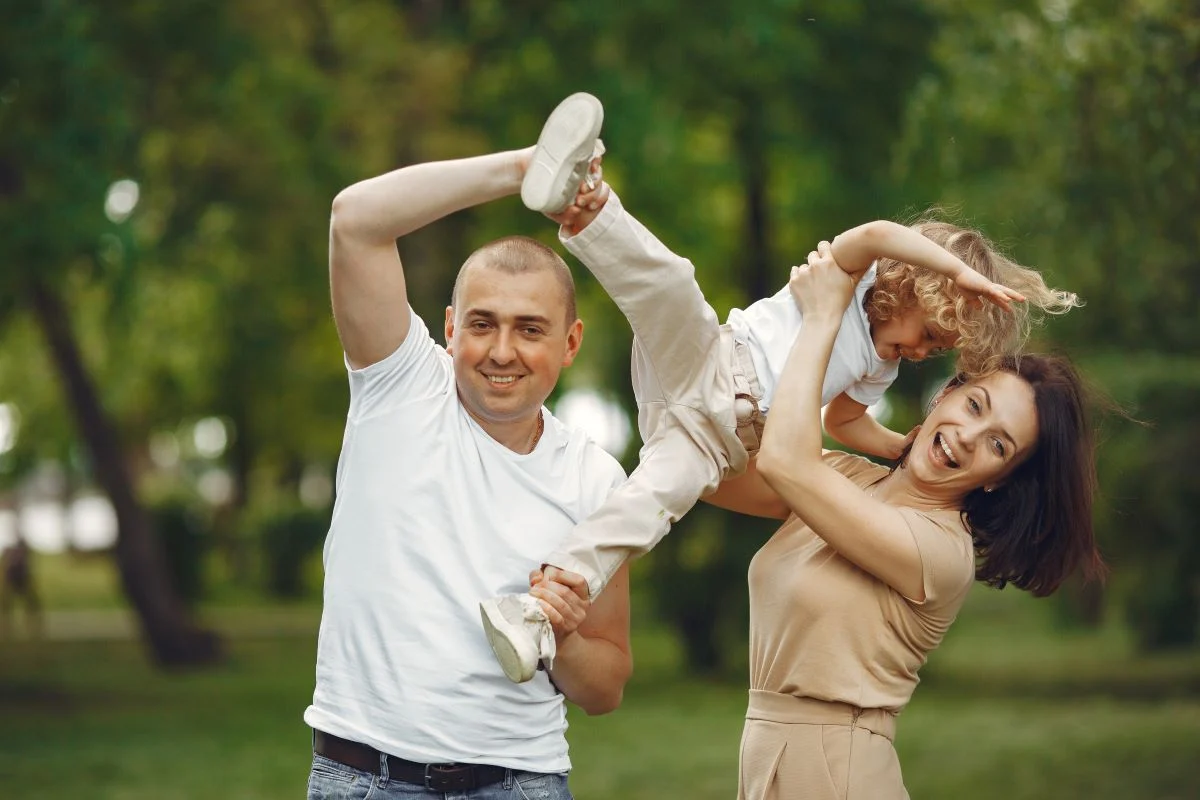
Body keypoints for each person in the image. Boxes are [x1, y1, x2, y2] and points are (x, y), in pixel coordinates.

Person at [479, 92, 1080, 684]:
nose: (922, 353)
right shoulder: (847, 277)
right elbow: (876, 232)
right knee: (670, 283)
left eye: (936, 351)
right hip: (708, 362)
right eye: (926, 334)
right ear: (911, 288)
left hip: (713, 439)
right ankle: (583, 202)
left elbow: (843, 424)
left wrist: (902, 445)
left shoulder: (882, 369)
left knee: (650, 507)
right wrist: (957, 269)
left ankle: (537, 610)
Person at [707, 249, 1104, 798]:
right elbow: (711, 474)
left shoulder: (941, 552)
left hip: (836, 770)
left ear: (999, 479)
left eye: (997, 444)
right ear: (944, 395)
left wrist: (824, 318)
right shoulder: (848, 477)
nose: (968, 435)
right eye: (974, 406)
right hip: (771, 760)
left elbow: (784, 461)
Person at [304, 139, 633, 800]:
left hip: (519, 782)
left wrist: (562, 634)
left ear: (570, 344)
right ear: (450, 327)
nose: (502, 351)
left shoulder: (595, 480)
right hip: (365, 776)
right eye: (482, 324)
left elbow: (604, 688)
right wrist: (525, 170)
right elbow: (354, 218)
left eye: (530, 329)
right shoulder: (399, 386)